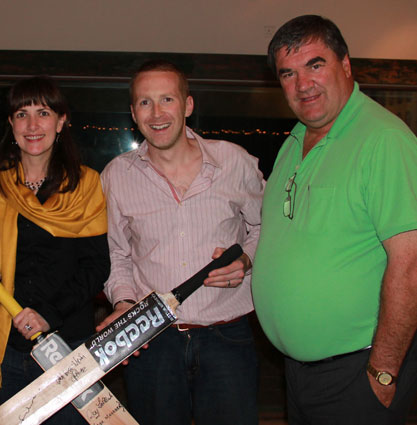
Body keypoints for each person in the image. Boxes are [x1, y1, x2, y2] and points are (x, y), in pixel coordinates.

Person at [252, 15, 417, 425]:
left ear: (346, 65)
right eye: (288, 73)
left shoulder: (384, 140)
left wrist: (383, 371)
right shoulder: (294, 142)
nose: (302, 84)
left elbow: (411, 266)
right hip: (300, 372)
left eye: (315, 65)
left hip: (358, 372)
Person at [98, 60, 264, 425]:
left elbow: (264, 228)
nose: (156, 113)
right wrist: (125, 302)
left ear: (188, 105)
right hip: (152, 342)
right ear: (133, 112)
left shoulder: (233, 162)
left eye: (167, 99)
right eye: (145, 102)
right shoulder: (117, 175)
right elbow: (117, 255)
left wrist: (246, 260)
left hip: (228, 338)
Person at [0, 76, 110, 425]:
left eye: (43, 113)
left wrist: (48, 313)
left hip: (65, 346)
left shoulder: (87, 184)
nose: (32, 125)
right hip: (1, 351)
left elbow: (95, 266)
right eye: (21, 114)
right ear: (11, 124)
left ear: (61, 121)